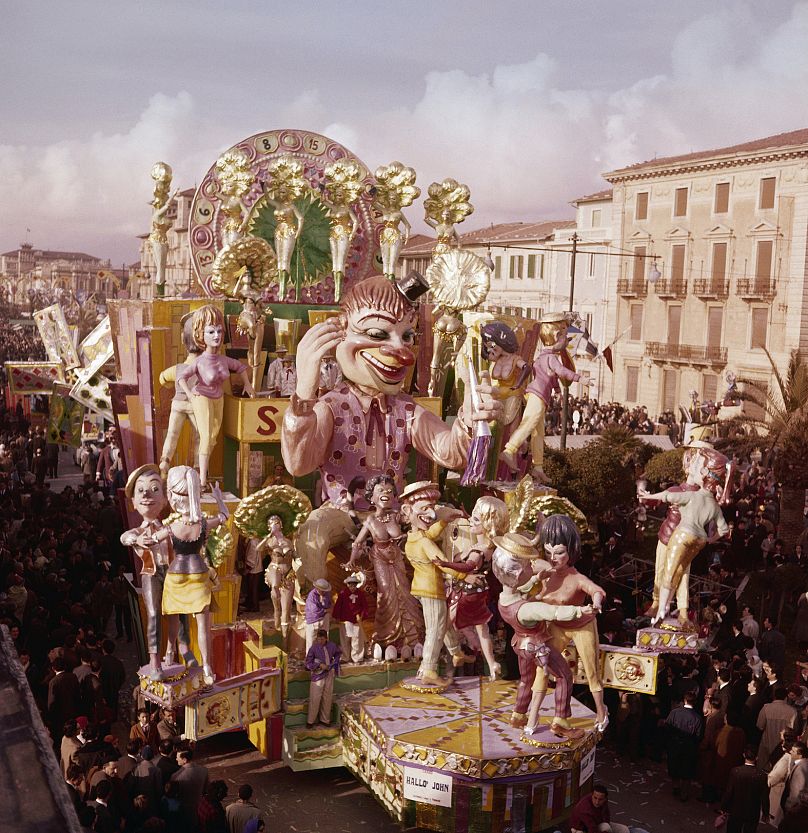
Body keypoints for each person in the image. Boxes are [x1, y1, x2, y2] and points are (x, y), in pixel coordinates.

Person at [280, 273, 500, 585]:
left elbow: (451, 453)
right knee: (312, 534)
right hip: (345, 513)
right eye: (377, 333)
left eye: (407, 337)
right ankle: (317, 612)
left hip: (398, 514)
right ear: (339, 335)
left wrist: (468, 419)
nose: (401, 351)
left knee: (460, 529)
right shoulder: (331, 406)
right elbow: (299, 463)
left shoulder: (405, 409)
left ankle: (455, 611)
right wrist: (304, 390)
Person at [492, 532, 590, 738]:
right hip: (537, 647)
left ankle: (518, 714)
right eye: (528, 566)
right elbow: (553, 612)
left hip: (520, 645)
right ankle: (561, 722)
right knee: (564, 675)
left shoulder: (503, 599)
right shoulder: (527, 610)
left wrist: (537, 577)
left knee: (526, 680)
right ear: (517, 574)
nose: (532, 567)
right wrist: (580, 611)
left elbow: (519, 590)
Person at [523, 514, 608, 732]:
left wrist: (597, 602)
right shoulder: (544, 574)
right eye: (549, 552)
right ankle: (533, 715)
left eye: (559, 552)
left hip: (582, 625)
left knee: (591, 671)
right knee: (542, 669)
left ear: (571, 551)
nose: (553, 558)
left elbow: (595, 590)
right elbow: (530, 596)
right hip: (556, 626)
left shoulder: (576, 577)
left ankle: (601, 711)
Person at [401, 481, 477, 682]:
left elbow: (429, 534)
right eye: (424, 509)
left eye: (432, 508)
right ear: (407, 511)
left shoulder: (413, 538)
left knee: (443, 623)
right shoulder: (424, 542)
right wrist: (464, 575)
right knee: (435, 628)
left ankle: (456, 652)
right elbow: (442, 563)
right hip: (430, 589)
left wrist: (443, 522)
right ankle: (428, 670)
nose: (432, 514)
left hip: (423, 587)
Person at [176, 304, 254, 489]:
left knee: (213, 437)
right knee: (205, 436)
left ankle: (199, 469)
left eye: (219, 331)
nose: (217, 336)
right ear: (201, 335)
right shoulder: (199, 361)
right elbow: (181, 377)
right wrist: (189, 394)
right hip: (202, 397)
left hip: (219, 398)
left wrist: (248, 385)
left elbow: (241, 367)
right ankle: (202, 480)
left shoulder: (223, 360)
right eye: (211, 332)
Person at [500, 311, 580, 482]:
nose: (567, 341)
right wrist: (580, 378)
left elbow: (549, 376)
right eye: (565, 337)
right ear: (557, 336)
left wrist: (557, 389)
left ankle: (538, 467)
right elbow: (561, 371)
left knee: (538, 433)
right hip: (537, 396)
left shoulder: (544, 357)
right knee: (529, 424)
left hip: (539, 396)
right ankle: (509, 450)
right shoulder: (550, 357)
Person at [348, 474, 424, 651]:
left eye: (390, 491)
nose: (386, 493)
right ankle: (388, 640)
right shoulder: (370, 520)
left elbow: (413, 519)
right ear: (371, 497)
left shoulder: (396, 516)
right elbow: (358, 543)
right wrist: (351, 560)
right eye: (381, 490)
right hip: (380, 559)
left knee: (405, 594)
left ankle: (412, 638)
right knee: (386, 595)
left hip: (397, 558)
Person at [664, 690, 704, 800]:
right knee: (686, 771)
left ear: (684, 700)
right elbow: (699, 735)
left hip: (674, 744)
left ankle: (676, 787)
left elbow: (667, 727)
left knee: (674, 766)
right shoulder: (697, 718)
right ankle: (684, 793)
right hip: (689, 747)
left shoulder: (675, 712)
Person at [721, 746, 767, 833]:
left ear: (744, 755)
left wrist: (724, 806)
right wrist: (765, 812)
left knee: (733, 829)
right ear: (757, 757)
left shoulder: (736, 771)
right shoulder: (762, 775)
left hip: (736, 809)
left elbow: (729, 791)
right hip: (753, 810)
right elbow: (764, 796)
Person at [304, 628, 341, 728]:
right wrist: (319, 665)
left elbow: (338, 654)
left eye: (322, 639)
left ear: (326, 638)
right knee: (315, 698)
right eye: (318, 639)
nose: (320, 641)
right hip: (318, 676)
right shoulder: (314, 648)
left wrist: (334, 663)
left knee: (327, 697)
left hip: (329, 674)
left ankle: (325, 720)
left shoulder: (332, 646)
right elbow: (308, 663)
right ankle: (310, 721)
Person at [757, 686, 798, 769]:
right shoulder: (792, 711)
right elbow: (794, 730)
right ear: (786, 697)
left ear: (774, 696)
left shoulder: (766, 708)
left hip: (766, 745)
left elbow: (760, 726)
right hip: (783, 748)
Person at [332, 574, 369, 664]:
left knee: (357, 639)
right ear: (347, 585)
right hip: (345, 620)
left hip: (356, 620)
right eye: (351, 585)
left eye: (354, 585)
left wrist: (362, 615)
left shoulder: (360, 594)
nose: (352, 587)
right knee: (345, 639)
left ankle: (357, 658)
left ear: (356, 585)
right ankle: (345, 657)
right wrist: (336, 616)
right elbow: (338, 606)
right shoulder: (343, 593)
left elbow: (365, 606)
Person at [171, 748, 209, 832]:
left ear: (184, 760)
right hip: (200, 809)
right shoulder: (204, 770)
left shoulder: (175, 776)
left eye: (178, 757)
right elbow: (206, 790)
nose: (176, 759)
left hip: (184, 813)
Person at [780, 740, 808, 832]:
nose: (790, 752)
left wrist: (790, 809)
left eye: (793, 751)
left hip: (792, 810)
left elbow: (796, 792)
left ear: (799, 755)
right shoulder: (803, 764)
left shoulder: (800, 768)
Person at [304, 579, 332, 653]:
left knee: (324, 639)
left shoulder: (327, 594)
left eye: (324, 590)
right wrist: (325, 610)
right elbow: (314, 610)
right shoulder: (312, 596)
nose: (323, 592)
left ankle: (323, 658)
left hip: (324, 619)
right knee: (311, 641)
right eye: (322, 590)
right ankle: (310, 660)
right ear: (317, 588)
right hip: (313, 620)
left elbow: (329, 604)